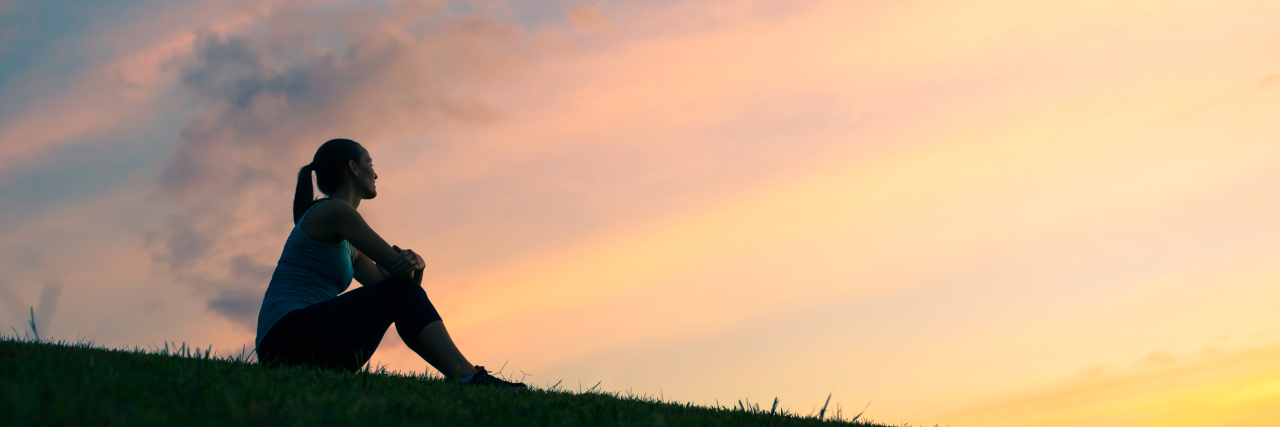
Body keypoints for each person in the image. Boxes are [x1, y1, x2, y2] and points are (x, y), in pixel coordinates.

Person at [254, 138, 525, 388]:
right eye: (370, 164)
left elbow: (397, 290)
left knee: (398, 294)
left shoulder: (349, 246)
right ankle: (469, 377)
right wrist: (409, 264)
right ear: (352, 168)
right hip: (285, 337)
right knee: (398, 293)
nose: (375, 173)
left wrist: (416, 267)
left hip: (298, 344)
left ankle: (466, 376)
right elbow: (398, 278)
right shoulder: (335, 211)